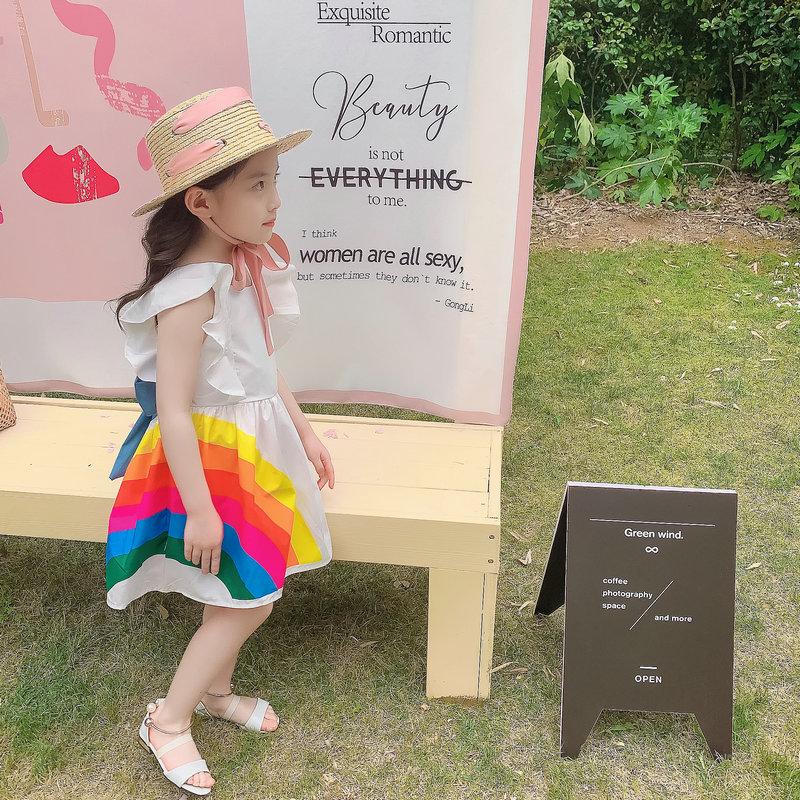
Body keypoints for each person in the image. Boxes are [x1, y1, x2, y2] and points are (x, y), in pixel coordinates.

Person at [105, 87, 334, 795]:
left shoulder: (242, 266)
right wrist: (200, 511)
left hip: (257, 452)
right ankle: (168, 720)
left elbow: (261, 363)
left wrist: (303, 428)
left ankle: (215, 692)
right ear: (202, 203)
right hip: (213, 464)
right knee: (251, 597)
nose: (275, 202)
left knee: (236, 587)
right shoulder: (188, 294)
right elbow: (174, 411)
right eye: (257, 185)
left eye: (274, 182)